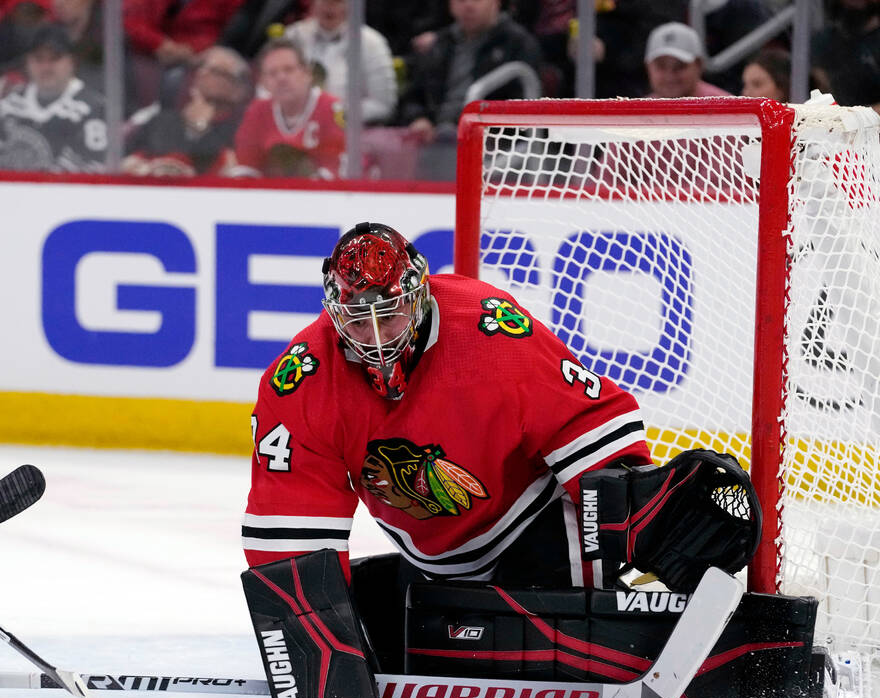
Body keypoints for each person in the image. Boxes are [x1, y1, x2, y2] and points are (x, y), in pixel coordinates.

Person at [243, 222, 652, 591]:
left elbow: (600, 444)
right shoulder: (300, 379)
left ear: (418, 299)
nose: (375, 339)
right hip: (433, 567)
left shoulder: (492, 334)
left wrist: (642, 540)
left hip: (535, 524)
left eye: (388, 317)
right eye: (357, 321)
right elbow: (291, 537)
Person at [400, 0, 540, 179]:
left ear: (495, 3)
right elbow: (413, 96)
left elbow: (524, 108)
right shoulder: (440, 44)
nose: (468, 6)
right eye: (460, 0)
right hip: (436, 140)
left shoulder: (519, 44)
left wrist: (483, 129)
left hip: (496, 149)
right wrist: (419, 118)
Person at [0, 24, 107, 173]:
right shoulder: (9, 104)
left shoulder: (94, 109)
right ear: (28, 62)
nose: (46, 67)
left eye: (54, 59)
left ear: (72, 62)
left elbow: (91, 168)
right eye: (38, 59)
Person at [122, 46, 251, 177]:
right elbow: (129, 159)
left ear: (238, 89)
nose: (202, 73)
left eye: (216, 71)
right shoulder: (161, 121)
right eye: (201, 67)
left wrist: (198, 127)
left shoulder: (243, 127)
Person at [226, 38, 344, 179]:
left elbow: (337, 169)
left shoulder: (334, 109)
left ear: (307, 73)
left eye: (289, 70)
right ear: (263, 82)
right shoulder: (257, 111)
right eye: (272, 73)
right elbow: (246, 166)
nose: (281, 78)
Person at [284, 0, 398, 125]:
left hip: (349, 134)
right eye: (324, 1)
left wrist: (334, 114)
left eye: (338, 1)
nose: (329, 7)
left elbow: (383, 104)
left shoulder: (372, 43)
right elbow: (268, 85)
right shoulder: (293, 36)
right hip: (293, 127)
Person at [643, 21, 731, 99]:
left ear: (699, 65)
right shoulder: (639, 111)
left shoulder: (728, 108)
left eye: (679, 66)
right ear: (648, 67)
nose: (670, 76)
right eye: (661, 66)